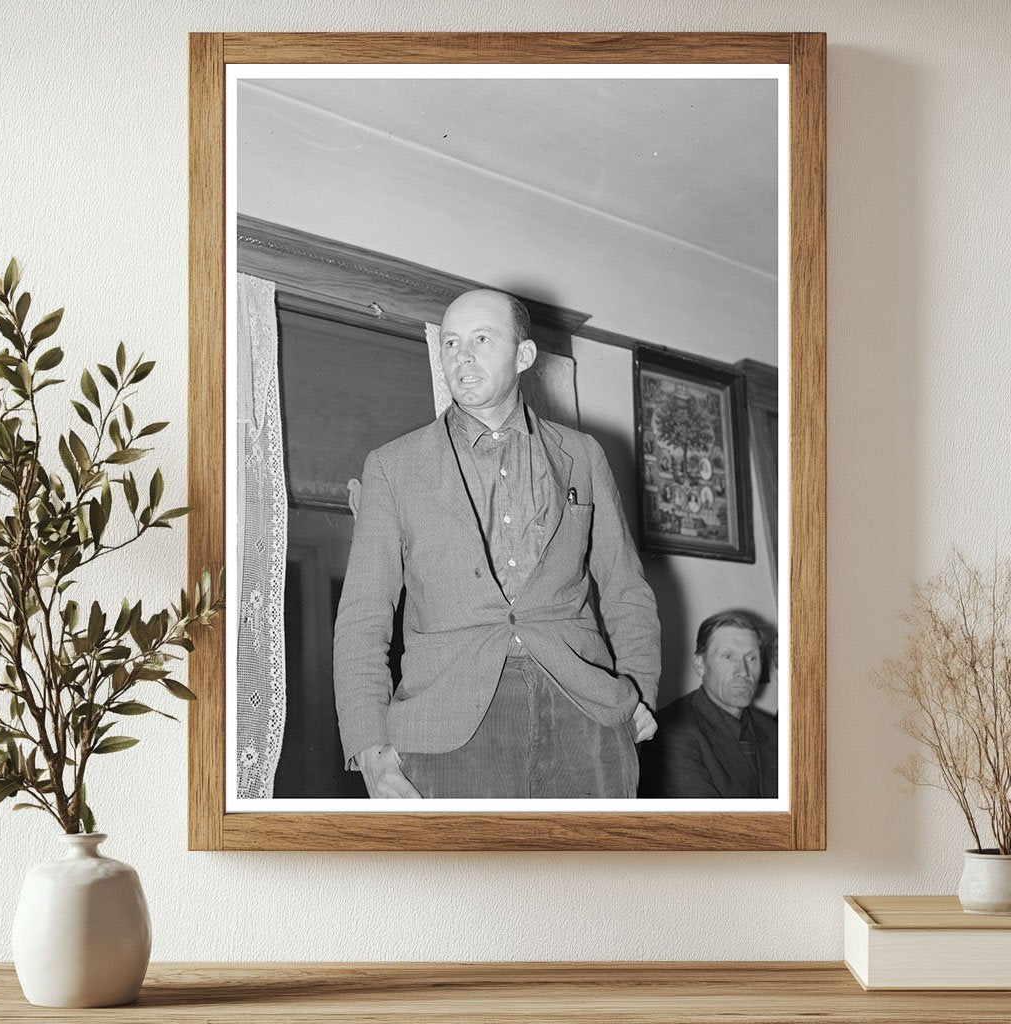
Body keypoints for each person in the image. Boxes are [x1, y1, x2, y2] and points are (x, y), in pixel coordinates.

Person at [333, 288, 661, 799]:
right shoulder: (393, 467)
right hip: (447, 728)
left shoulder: (583, 455)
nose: (462, 356)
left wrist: (638, 691)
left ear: (523, 355)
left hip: (587, 715)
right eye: (450, 343)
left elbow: (626, 590)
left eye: (482, 340)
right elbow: (362, 618)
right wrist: (371, 749)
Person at [641, 611, 777, 798]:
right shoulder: (672, 733)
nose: (743, 672)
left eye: (751, 658)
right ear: (700, 665)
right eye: (728, 656)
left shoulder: (773, 730)